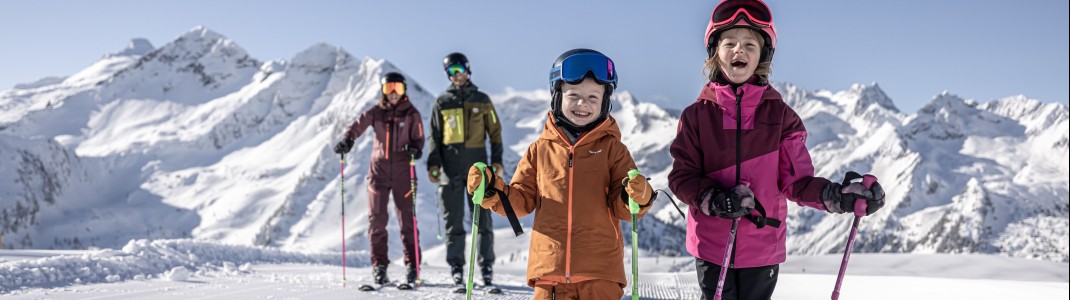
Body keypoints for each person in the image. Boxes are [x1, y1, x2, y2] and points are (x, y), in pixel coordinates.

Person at [667, 1, 887, 299]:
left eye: (749, 45)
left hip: (762, 248)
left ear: (762, 57)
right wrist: (715, 200)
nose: (738, 50)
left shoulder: (781, 117)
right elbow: (682, 177)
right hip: (712, 246)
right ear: (715, 53)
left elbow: (796, 182)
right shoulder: (697, 116)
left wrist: (838, 196)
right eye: (729, 43)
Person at [466, 48, 656, 299]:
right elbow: (522, 202)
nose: (582, 103)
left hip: (600, 273)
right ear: (557, 96)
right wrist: (492, 189)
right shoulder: (539, 150)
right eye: (573, 95)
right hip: (549, 274)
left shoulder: (613, 150)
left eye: (592, 97)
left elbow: (623, 208)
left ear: (605, 102)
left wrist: (639, 196)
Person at [334, 72, 424, 287]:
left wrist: (415, 150)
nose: (393, 93)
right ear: (383, 91)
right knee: (377, 222)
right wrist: (347, 141)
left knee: (407, 221)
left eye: (398, 88)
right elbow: (357, 125)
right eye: (389, 88)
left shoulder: (411, 113)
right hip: (378, 173)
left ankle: (413, 266)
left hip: (403, 171)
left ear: (404, 91)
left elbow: (419, 139)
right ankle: (379, 267)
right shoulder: (377, 112)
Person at [426, 52, 504, 287]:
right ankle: (457, 268)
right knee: (454, 221)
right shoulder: (442, 102)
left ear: (468, 69)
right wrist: (434, 164)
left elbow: (496, 133)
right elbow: (435, 136)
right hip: (450, 169)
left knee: (483, 219)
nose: (456, 74)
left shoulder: (482, 100)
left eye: (459, 69)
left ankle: (486, 266)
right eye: (451, 71)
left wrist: (497, 161)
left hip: (477, 168)